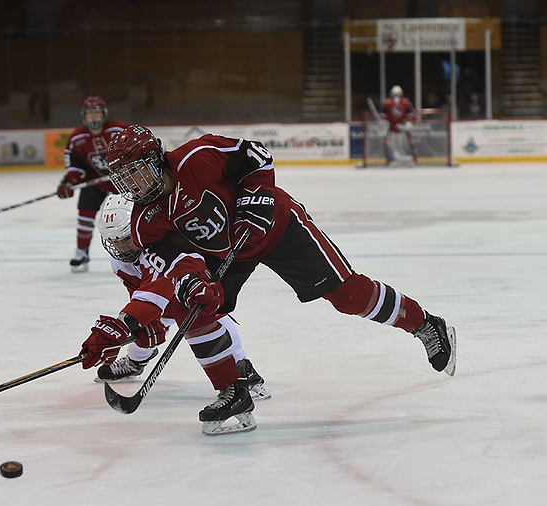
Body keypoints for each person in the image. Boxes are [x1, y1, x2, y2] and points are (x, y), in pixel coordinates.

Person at [85, 124, 457, 434]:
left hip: (276, 227)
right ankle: (234, 394)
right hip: (226, 251)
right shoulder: (144, 222)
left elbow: (256, 155)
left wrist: (256, 197)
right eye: (124, 179)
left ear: (156, 159)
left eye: (137, 171)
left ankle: (426, 325)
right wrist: (195, 282)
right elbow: (177, 262)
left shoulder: (197, 156)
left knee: (348, 297)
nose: (133, 185)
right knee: (193, 309)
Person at [79, 194, 270, 434]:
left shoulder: (157, 248)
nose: (121, 248)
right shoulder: (120, 262)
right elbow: (137, 290)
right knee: (143, 333)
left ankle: (242, 369)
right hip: (155, 301)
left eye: (126, 240)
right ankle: (136, 363)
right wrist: (143, 324)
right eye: (114, 242)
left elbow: (157, 288)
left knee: (212, 318)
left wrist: (128, 321)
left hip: (187, 292)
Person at [56, 96, 129, 272]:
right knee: (85, 215)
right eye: (90, 115)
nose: (94, 118)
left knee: (132, 217)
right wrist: (69, 182)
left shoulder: (120, 130)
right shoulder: (77, 138)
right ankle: (82, 252)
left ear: (104, 114)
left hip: (123, 183)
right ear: (84, 116)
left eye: (97, 114)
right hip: (95, 182)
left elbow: (136, 151)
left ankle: (135, 251)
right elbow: (75, 165)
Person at [380, 85, 416, 167]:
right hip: (391, 131)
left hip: (402, 131)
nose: (396, 97)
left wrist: (408, 124)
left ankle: (411, 160)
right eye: (395, 94)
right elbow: (383, 117)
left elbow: (411, 116)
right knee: (389, 146)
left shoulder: (406, 103)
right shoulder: (386, 103)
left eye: (398, 94)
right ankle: (390, 160)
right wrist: (384, 126)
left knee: (407, 145)